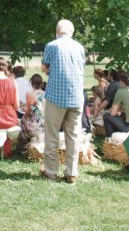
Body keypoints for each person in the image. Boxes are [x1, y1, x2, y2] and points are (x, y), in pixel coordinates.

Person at [40, 19, 86, 184]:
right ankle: (71, 172)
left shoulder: (52, 46)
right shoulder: (80, 48)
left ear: (57, 31)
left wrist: (50, 69)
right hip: (76, 97)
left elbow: (43, 68)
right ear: (72, 32)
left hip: (56, 97)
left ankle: (51, 172)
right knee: (73, 136)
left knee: (52, 135)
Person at [20, 74, 46, 145]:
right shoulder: (46, 94)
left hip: (35, 125)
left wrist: (23, 109)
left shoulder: (29, 94)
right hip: (45, 123)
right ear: (41, 84)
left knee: (23, 119)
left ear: (31, 83)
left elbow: (29, 113)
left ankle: (25, 143)